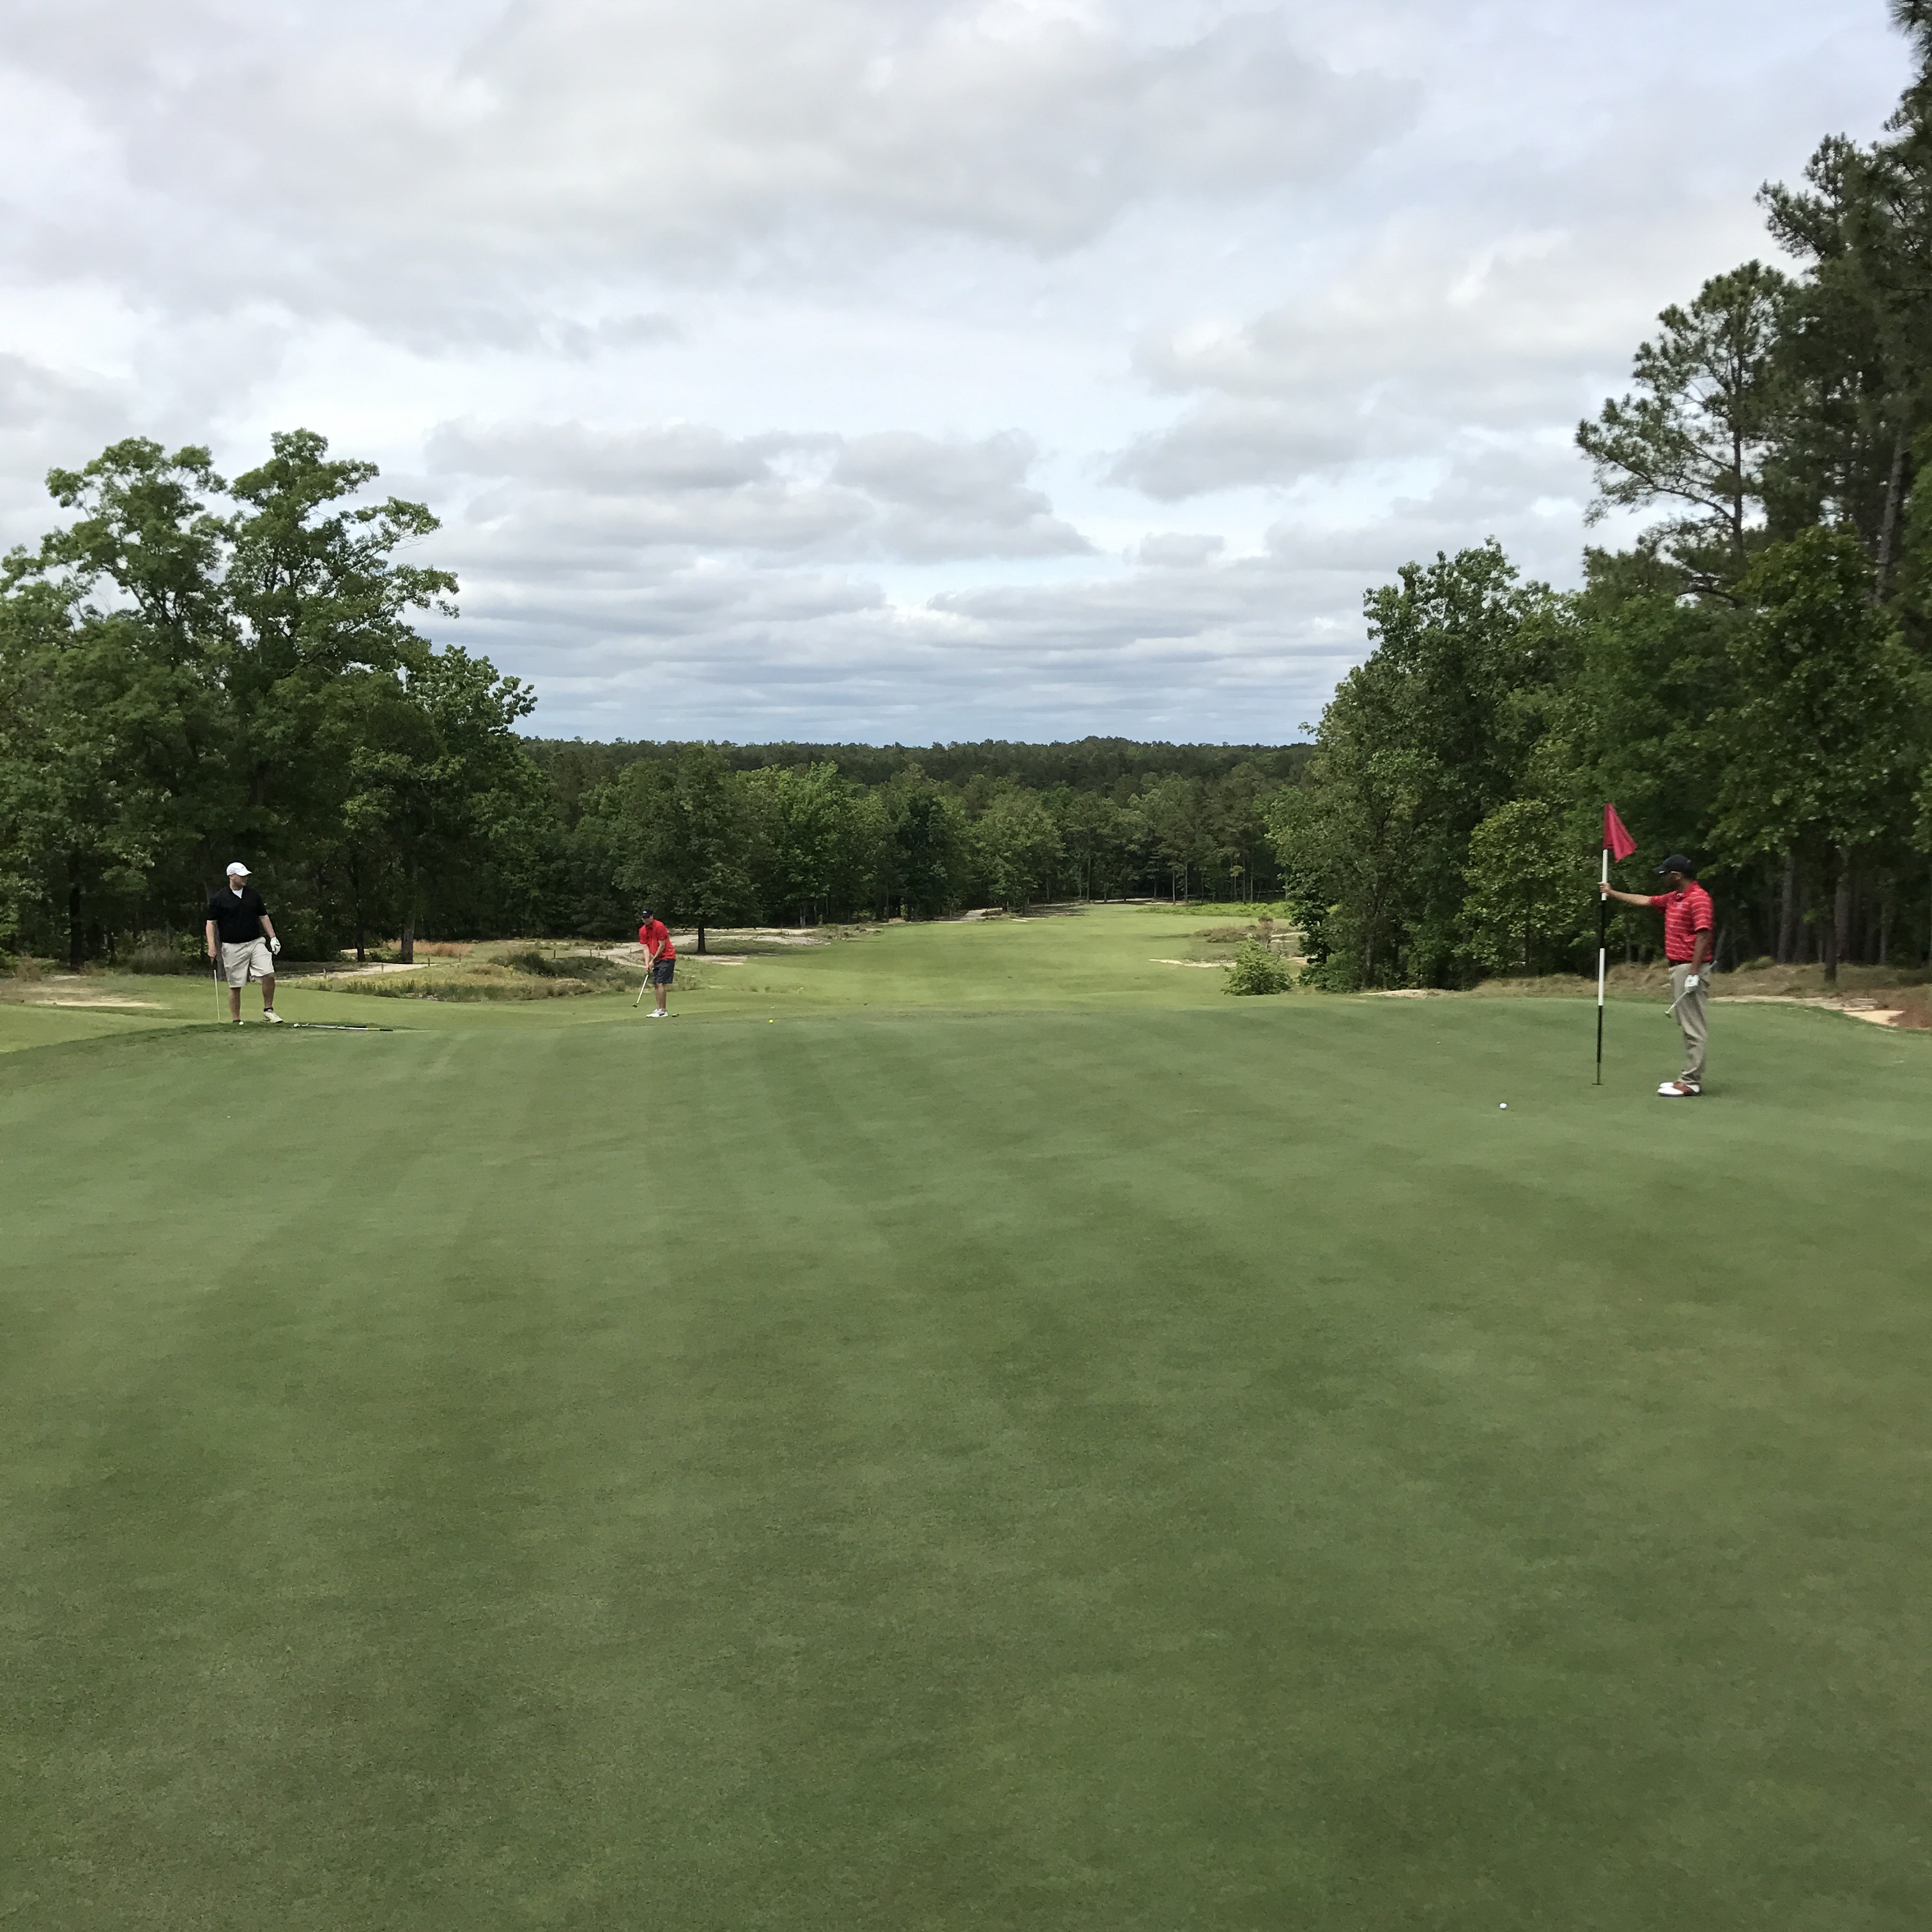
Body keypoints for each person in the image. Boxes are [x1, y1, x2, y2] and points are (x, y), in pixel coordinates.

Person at [1601, 854, 1713, 1096]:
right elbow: (1645, 901)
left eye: (1665, 875)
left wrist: (1694, 973)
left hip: (1690, 968)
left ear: (1677, 876)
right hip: (1679, 967)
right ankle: (1688, 1078)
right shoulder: (1675, 897)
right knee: (1686, 1024)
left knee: (1693, 1026)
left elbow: (1704, 935)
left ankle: (1691, 1081)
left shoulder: (1699, 898)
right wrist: (1612, 892)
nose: (1662, 879)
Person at [204, 862, 283, 1024]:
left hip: (255, 942)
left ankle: (268, 1010)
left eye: (246, 875)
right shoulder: (219, 898)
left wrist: (273, 937)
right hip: (232, 946)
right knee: (235, 985)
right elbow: (211, 923)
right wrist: (212, 947)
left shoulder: (253, 895)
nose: (245, 878)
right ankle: (236, 1020)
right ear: (231, 877)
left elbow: (263, 916)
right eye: (241, 876)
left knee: (269, 974)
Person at [638, 907, 675, 1017]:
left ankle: (663, 1010)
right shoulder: (643, 930)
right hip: (657, 959)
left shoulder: (659, 926)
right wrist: (647, 963)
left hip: (667, 956)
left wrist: (653, 960)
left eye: (647, 917)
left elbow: (662, 945)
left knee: (660, 982)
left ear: (652, 917)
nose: (646, 920)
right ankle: (658, 1009)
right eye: (644, 918)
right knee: (656, 984)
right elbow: (646, 948)